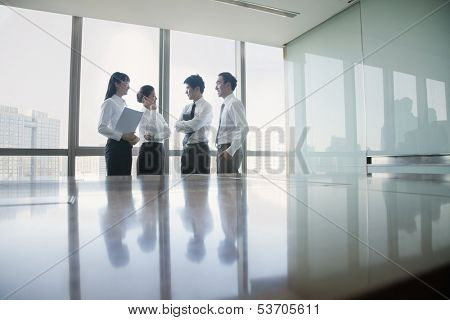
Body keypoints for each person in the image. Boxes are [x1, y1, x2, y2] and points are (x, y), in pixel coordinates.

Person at [98, 72, 139, 176]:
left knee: (126, 184)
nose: (128, 87)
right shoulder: (109, 102)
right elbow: (101, 128)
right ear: (116, 84)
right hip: (115, 147)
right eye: (126, 83)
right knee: (115, 185)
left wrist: (130, 136)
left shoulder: (123, 103)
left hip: (126, 146)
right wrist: (122, 135)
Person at [175, 74, 213, 174]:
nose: (185, 92)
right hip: (186, 149)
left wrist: (183, 124)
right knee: (185, 183)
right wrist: (188, 124)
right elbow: (176, 127)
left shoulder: (207, 107)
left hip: (200, 150)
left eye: (188, 88)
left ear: (197, 88)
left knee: (201, 186)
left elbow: (194, 125)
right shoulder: (186, 107)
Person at [215, 72, 249, 174]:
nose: (215, 87)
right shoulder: (226, 104)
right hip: (223, 148)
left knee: (228, 186)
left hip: (228, 148)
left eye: (218, 83)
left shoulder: (234, 103)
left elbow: (244, 128)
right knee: (224, 186)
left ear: (228, 85)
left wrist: (230, 151)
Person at [136, 85, 170, 175]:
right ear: (145, 99)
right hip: (148, 150)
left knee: (160, 185)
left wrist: (155, 137)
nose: (156, 98)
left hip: (160, 150)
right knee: (148, 184)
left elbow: (168, 133)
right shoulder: (141, 114)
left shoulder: (159, 115)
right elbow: (150, 132)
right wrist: (153, 111)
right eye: (153, 96)